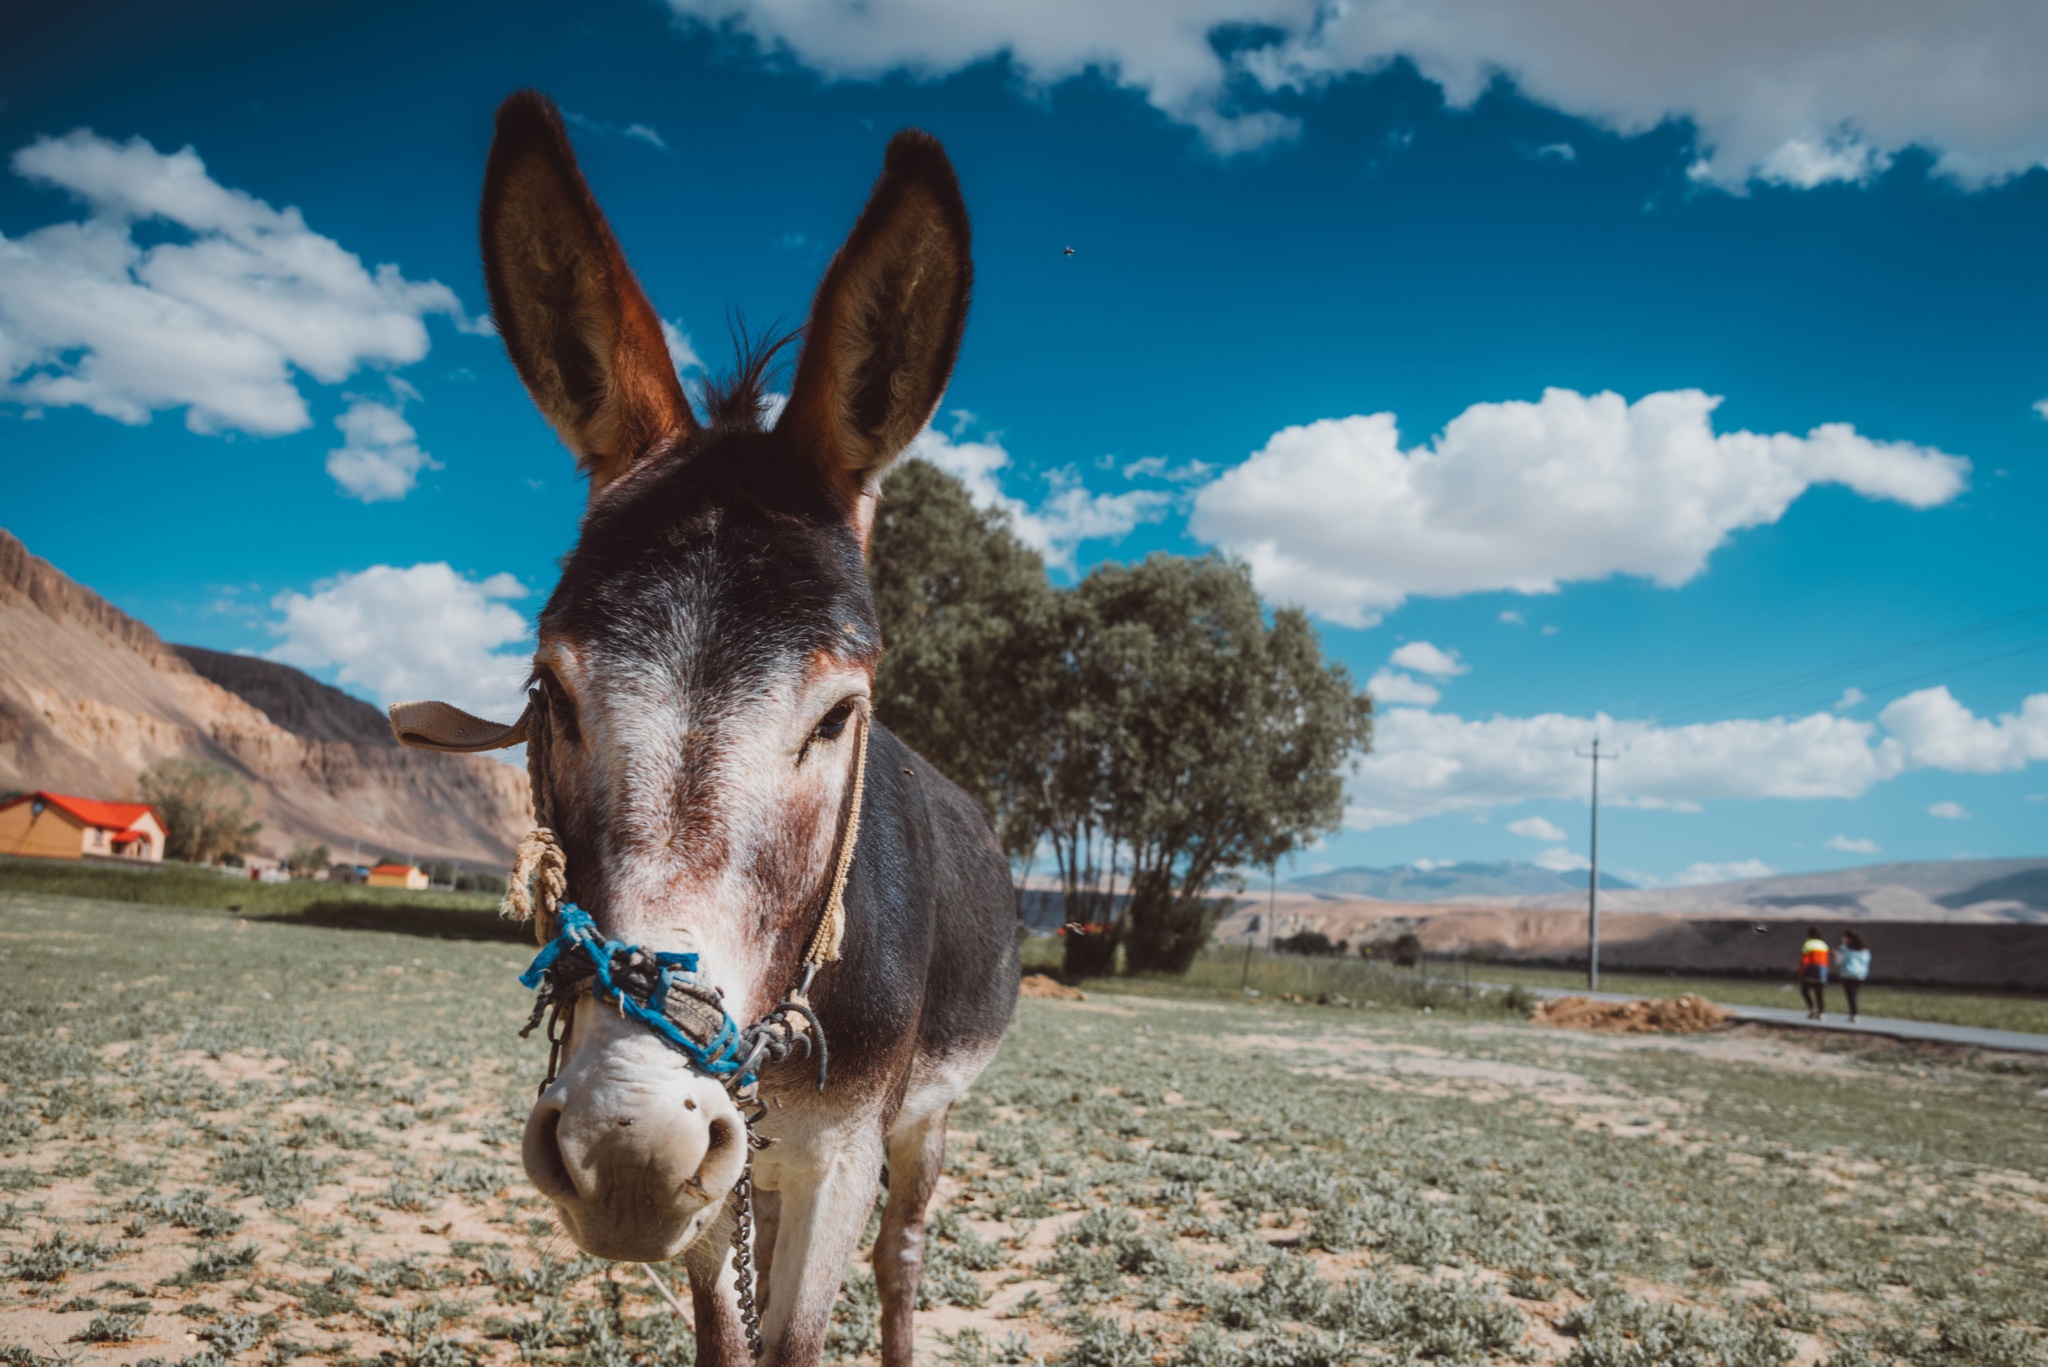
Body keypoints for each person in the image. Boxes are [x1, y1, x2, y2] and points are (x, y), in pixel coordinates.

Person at [1836, 930, 1871, 1023]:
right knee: (1854, 994)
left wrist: (1836, 956)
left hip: (1848, 974)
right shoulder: (1864, 950)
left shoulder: (1844, 948)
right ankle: (1854, 1013)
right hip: (1860, 974)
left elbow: (1839, 962)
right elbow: (1866, 962)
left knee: (1850, 995)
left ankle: (1854, 1014)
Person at [1798, 926, 1830, 1020]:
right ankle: (1821, 1012)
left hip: (1810, 970)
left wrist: (1800, 972)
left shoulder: (1808, 944)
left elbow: (1804, 960)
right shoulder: (1824, 944)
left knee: (1805, 990)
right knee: (1819, 992)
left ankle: (1811, 1009)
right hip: (1822, 970)